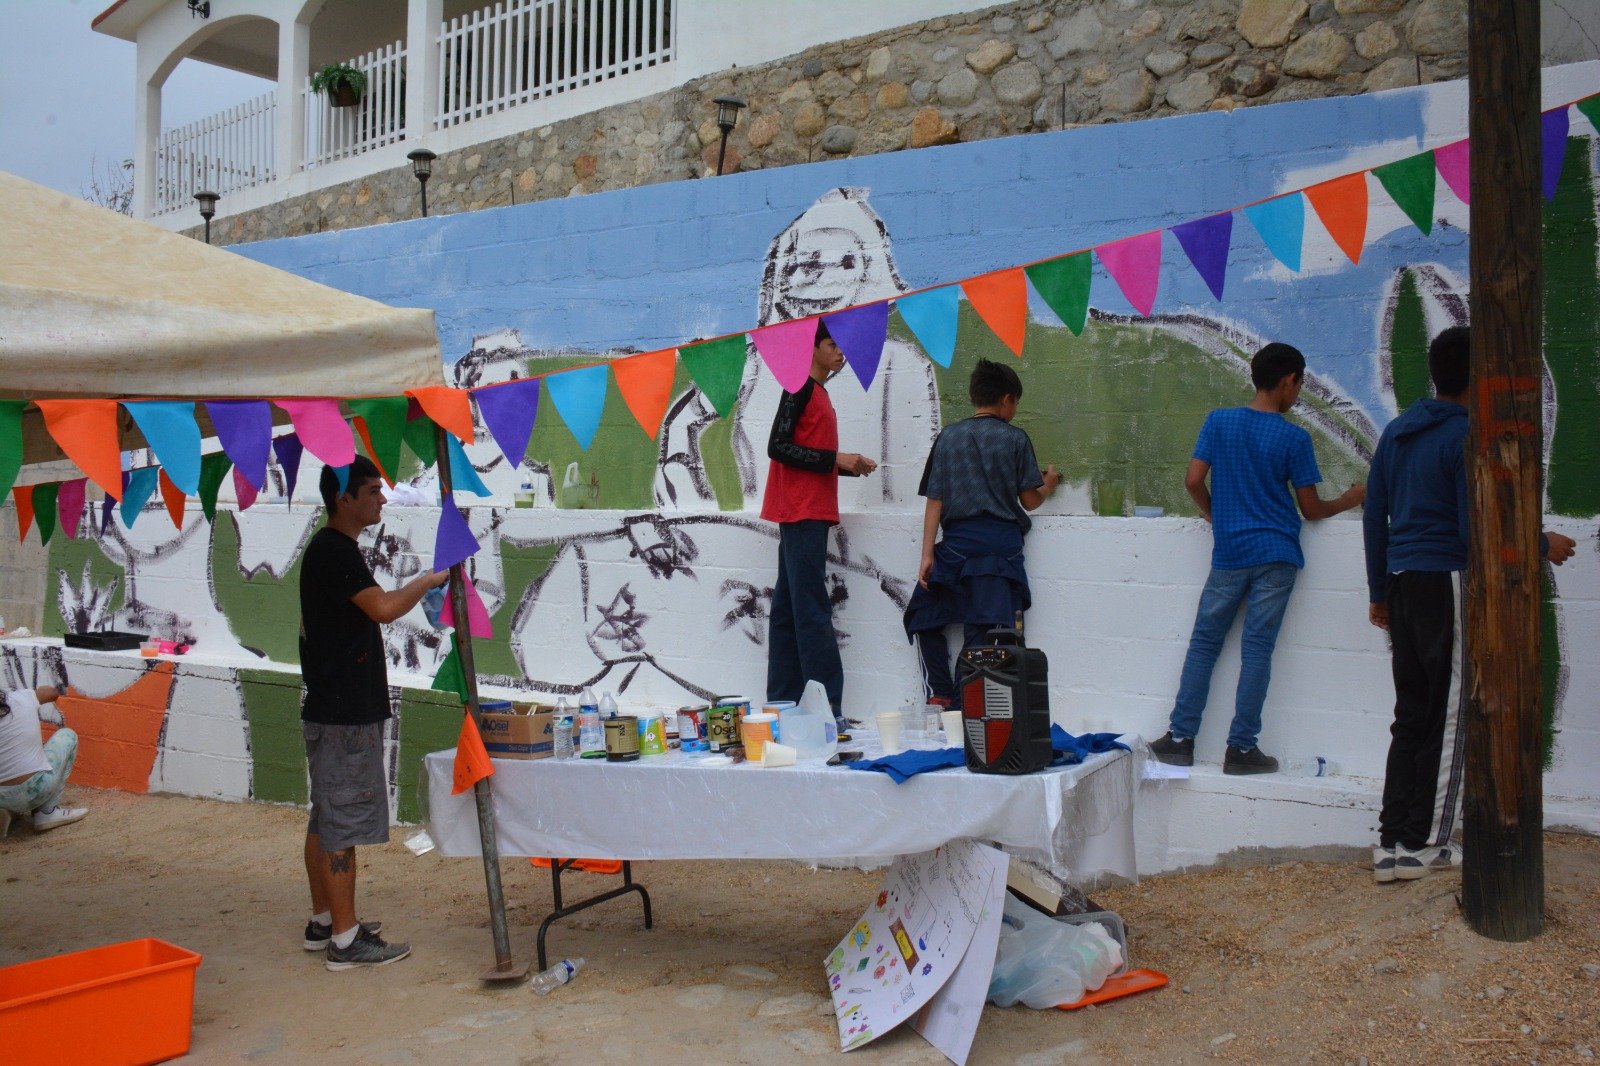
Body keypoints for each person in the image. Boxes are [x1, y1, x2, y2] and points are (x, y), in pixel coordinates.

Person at [1363, 326, 1576, 883]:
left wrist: (1379, 591)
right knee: (1454, 711)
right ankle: (1424, 845)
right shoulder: (1466, 436)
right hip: (1447, 582)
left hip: (1403, 580)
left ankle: (1391, 843)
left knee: (1412, 714)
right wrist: (1539, 546)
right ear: (1479, 377)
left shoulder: (1397, 431)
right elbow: (1474, 528)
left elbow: (1374, 516)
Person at [1150, 343, 1366, 774]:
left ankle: (1179, 739)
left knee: (1204, 644)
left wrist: (1215, 514)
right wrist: (1350, 498)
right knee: (1257, 651)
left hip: (1230, 554)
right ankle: (1241, 750)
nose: (1298, 395)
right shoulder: (1294, 438)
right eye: (1299, 385)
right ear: (1288, 381)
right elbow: (1311, 509)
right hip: (1276, 555)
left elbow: (1192, 480)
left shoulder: (1219, 421)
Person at [300, 455, 448, 970]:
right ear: (344, 500)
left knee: (326, 816)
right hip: (343, 713)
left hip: (332, 705)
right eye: (371, 492)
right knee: (341, 823)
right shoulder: (334, 551)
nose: (382, 499)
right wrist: (428, 580)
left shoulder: (331, 550)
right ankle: (345, 941)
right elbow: (383, 608)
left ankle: (325, 920)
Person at [903, 358, 1059, 705]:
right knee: (984, 629)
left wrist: (927, 554)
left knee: (923, 615)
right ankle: (966, 705)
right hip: (1000, 550)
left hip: (956, 546)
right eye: (1015, 403)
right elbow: (1029, 500)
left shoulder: (948, 437)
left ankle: (940, 694)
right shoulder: (1016, 439)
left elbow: (935, 499)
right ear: (1006, 400)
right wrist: (1047, 485)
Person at [762, 320, 877, 723]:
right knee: (811, 609)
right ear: (812, 348)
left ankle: (782, 702)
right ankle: (829, 709)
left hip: (806, 509)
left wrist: (846, 465)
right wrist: (836, 459)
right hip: (801, 510)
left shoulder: (819, 393)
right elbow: (778, 446)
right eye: (831, 344)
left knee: (787, 609)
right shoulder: (799, 387)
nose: (840, 351)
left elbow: (805, 454)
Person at [0, 683, 86, 836]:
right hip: (32, 791)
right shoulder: (20, 698)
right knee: (67, 735)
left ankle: (8, 810)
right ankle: (47, 813)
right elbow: (52, 693)